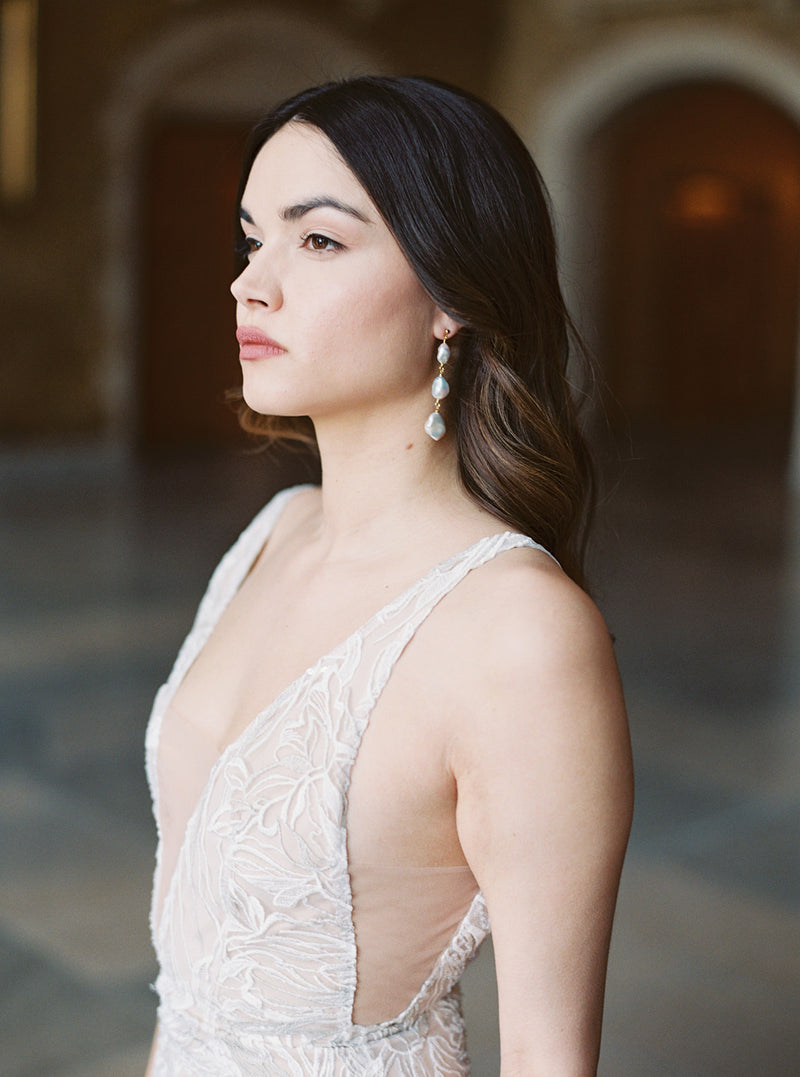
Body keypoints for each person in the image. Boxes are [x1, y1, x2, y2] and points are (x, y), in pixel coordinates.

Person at [143, 75, 633, 1077]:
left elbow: (547, 1055)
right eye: (251, 240)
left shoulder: (518, 633)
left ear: (451, 292)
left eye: (317, 240)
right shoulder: (275, 531)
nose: (251, 283)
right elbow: (192, 980)